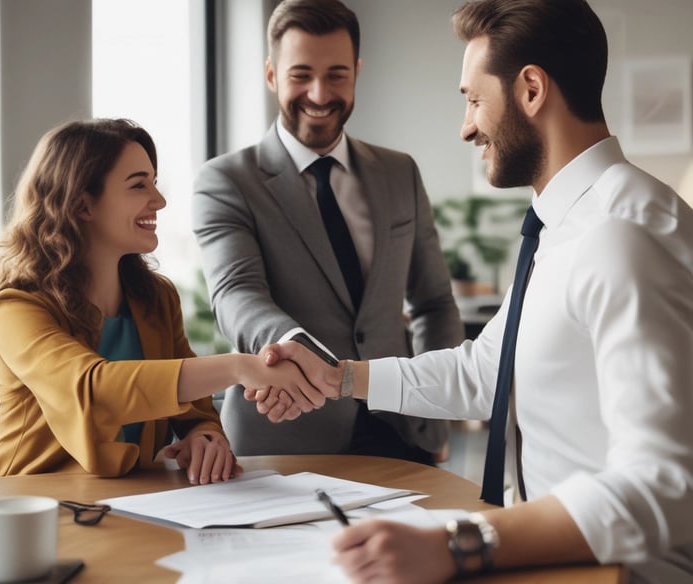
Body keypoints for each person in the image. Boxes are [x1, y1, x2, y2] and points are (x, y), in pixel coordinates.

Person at [251, 0, 693, 581]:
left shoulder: (621, 236)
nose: (466, 126)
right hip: (553, 558)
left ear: (531, 90)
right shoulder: (562, 224)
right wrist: (342, 379)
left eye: (473, 99)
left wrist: (457, 544)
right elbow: (487, 373)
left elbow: (665, 486)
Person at [0, 118, 321, 484]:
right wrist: (239, 367)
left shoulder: (156, 298)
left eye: (154, 183)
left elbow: (196, 410)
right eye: (139, 185)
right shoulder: (17, 306)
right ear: (82, 204)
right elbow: (95, 390)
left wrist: (204, 437)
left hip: (129, 501)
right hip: (28, 509)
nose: (159, 200)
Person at [191, 0, 463, 464]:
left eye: (336, 74)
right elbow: (236, 295)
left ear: (357, 72)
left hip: (402, 431)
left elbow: (433, 302)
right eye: (301, 75)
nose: (319, 94)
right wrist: (297, 352)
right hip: (285, 434)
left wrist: (436, 410)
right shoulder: (227, 180)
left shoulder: (399, 172)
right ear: (272, 75)